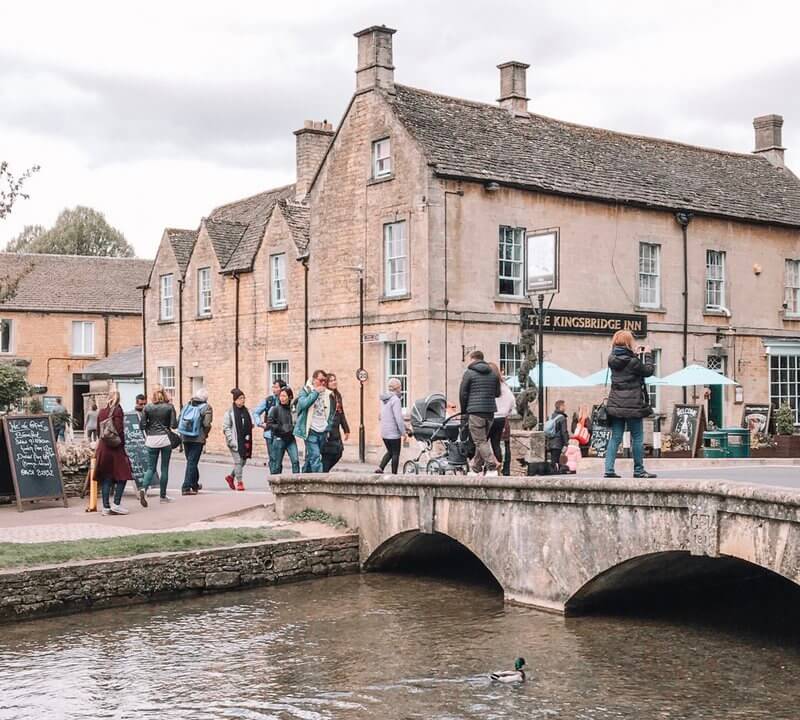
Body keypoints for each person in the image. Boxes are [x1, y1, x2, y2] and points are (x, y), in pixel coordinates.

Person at [604, 330, 657, 479]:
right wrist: (647, 355)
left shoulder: (611, 359)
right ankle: (639, 470)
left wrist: (634, 354)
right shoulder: (632, 362)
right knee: (638, 437)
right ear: (628, 343)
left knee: (615, 437)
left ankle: (609, 470)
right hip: (633, 404)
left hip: (615, 403)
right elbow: (648, 371)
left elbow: (626, 364)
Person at [459, 350, 501, 476]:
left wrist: (464, 411)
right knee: (481, 441)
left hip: (475, 411)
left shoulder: (469, 373)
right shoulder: (493, 374)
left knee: (480, 442)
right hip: (490, 412)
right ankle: (476, 468)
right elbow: (497, 393)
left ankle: (492, 467)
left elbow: (463, 394)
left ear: (472, 359)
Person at [94, 391, 132, 516]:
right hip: (115, 448)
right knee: (123, 475)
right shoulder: (118, 411)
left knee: (107, 478)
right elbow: (119, 430)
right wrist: (122, 444)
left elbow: (99, 430)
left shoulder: (102, 412)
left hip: (103, 448)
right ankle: (116, 504)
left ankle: (105, 507)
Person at [140, 384, 178, 506]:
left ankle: (143, 489)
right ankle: (162, 496)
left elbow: (142, 425)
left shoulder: (147, 407)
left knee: (151, 468)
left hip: (151, 439)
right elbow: (174, 425)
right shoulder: (169, 407)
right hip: (165, 439)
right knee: (164, 468)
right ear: (164, 393)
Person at [294, 370, 334, 473]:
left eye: (325, 381)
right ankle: (319, 482)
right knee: (315, 456)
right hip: (310, 429)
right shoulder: (306, 390)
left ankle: (304, 478)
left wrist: (328, 426)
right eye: (321, 380)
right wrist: (316, 392)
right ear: (314, 379)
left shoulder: (327, 393)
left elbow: (331, 412)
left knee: (311, 457)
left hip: (322, 430)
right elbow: (302, 404)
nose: (323, 383)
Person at [180, 387, 213, 495]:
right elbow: (207, 424)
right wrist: (205, 434)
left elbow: (179, 419)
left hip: (185, 437)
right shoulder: (207, 407)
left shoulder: (187, 405)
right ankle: (186, 486)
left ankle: (194, 484)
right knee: (192, 462)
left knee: (191, 462)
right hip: (197, 438)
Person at [487, 362, 515, 476]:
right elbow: (512, 401)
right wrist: (505, 412)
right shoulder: (504, 385)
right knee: (496, 443)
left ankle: (490, 465)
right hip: (502, 418)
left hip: (490, 416)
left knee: (482, 442)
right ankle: (497, 469)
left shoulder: (488, 384)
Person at [253, 379, 286, 471]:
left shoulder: (285, 400)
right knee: (272, 458)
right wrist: (260, 423)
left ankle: (278, 479)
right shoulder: (269, 400)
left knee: (278, 459)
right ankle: (274, 479)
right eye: (273, 387)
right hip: (269, 434)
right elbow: (256, 412)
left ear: (281, 389)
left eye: (276, 387)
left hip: (281, 434)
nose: (273, 389)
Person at [223, 388, 253, 491]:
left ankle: (231, 477)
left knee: (243, 461)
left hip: (244, 440)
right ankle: (240, 482)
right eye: (240, 398)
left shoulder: (246, 411)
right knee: (238, 461)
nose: (243, 400)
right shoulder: (230, 412)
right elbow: (226, 427)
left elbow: (250, 424)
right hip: (234, 441)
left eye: (244, 398)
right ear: (235, 400)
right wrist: (231, 440)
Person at [376, 378, 407, 474]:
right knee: (395, 453)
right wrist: (403, 433)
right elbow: (398, 419)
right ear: (397, 388)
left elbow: (381, 416)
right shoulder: (395, 400)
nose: (401, 389)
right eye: (400, 387)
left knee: (390, 451)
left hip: (384, 433)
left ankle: (380, 468)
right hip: (393, 433)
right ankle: (394, 475)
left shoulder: (385, 399)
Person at [268, 387, 300, 474]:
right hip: (279, 439)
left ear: (289, 397)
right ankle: (276, 484)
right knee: (277, 465)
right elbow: (269, 424)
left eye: (284, 396)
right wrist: (281, 428)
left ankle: (296, 483)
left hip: (290, 439)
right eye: (281, 396)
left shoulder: (293, 410)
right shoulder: (275, 409)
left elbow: (296, 421)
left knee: (295, 461)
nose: (282, 398)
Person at [322, 373, 350, 472]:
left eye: (335, 380)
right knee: (328, 454)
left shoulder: (337, 395)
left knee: (339, 452)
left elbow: (341, 413)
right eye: (331, 380)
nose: (334, 382)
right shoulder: (325, 395)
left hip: (336, 428)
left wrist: (346, 429)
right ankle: (323, 473)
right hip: (328, 428)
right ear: (327, 383)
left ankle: (324, 471)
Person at [545, 400, 570, 473]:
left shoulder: (551, 416)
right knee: (555, 461)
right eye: (564, 406)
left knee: (553, 460)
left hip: (550, 441)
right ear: (561, 407)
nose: (565, 407)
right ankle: (554, 474)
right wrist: (566, 443)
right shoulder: (562, 418)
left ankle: (553, 472)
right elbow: (564, 431)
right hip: (558, 442)